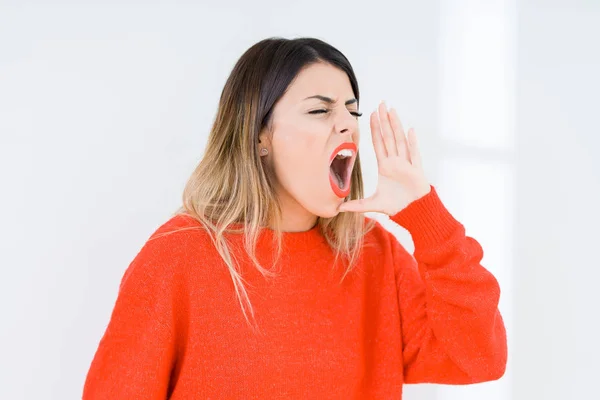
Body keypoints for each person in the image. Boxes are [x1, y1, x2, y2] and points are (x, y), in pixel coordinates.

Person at [82, 37, 507, 399]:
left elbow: (479, 359)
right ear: (260, 135)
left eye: (351, 111)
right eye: (320, 111)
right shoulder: (181, 253)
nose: (347, 127)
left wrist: (425, 217)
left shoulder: (374, 254)